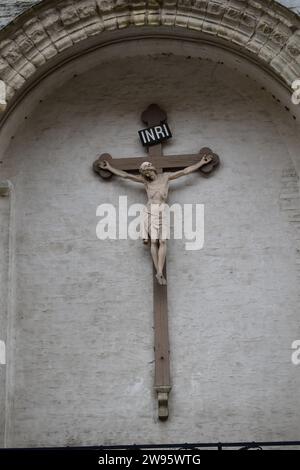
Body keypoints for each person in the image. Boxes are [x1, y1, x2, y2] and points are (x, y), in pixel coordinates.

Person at [98, 154, 212, 285]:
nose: (148, 176)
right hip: (151, 210)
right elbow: (126, 176)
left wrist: (201, 163)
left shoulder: (165, 177)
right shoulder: (146, 181)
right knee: (154, 241)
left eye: (149, 173)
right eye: (146, 174)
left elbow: (185, 171)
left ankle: (159, 270)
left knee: (163, 240)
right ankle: (159, 272)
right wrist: (110, 167)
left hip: (162, 210)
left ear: (153, 170)